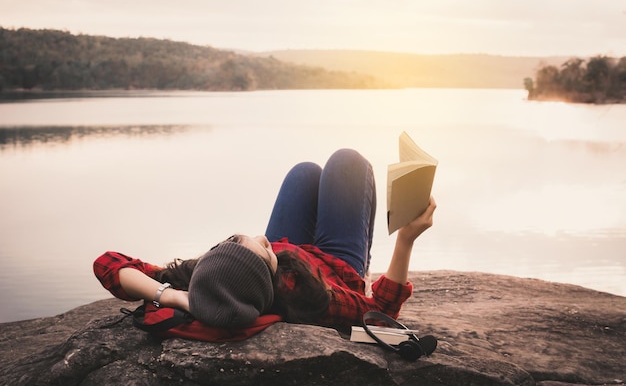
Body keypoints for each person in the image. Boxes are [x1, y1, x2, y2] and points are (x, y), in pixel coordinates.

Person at [94, 148, 436, 333]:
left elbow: (108, 263)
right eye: (265, 248)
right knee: (347, 162)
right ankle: (356, 267)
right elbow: (381, 312)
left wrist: (176, 296)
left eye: (237, 240)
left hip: (289, 254)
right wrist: (406, 239)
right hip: (332, 264)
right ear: (273, 272)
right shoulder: (307, 296)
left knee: (305, 171)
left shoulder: (207, 278)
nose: (262, 237)